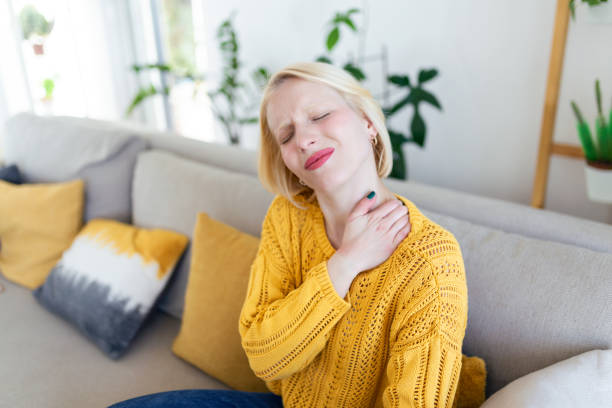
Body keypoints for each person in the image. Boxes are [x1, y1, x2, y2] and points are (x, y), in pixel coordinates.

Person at [109, 61, 468, 408]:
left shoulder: (430, 258)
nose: (305, 139)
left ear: (368, 122)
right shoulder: (287, 217)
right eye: (287, 134)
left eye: (319, 115)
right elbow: (265, 357)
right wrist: (346, 263)